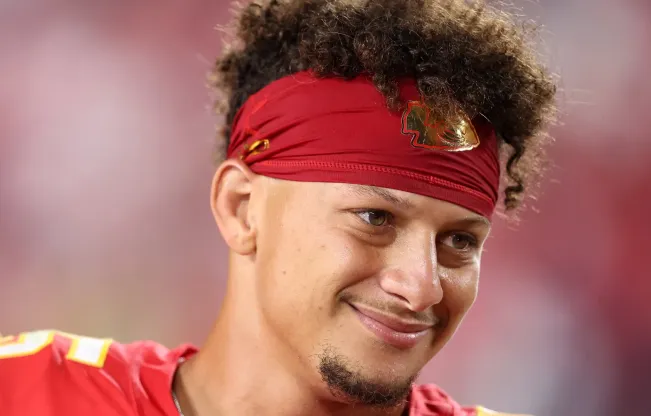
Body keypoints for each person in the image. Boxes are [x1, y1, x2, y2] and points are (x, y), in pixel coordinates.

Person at [0, 0, 557, 415]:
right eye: (375, 219)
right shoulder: (26, 394)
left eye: (459, 241)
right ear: (241, 208)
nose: (423, 287)